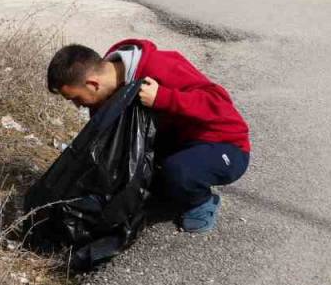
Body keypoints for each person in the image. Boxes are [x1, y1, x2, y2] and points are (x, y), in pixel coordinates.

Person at [45, 40, 250, 233]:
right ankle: (173, 184)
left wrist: (163, 97)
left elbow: (219, 104)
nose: (78, 105)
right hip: (174, 144)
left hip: (223, 144)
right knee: (132, 185)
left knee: (179, 173)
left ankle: (201, 201)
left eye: (76, 99)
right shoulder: (104, 95)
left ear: (93, 84)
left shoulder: (158, 65)